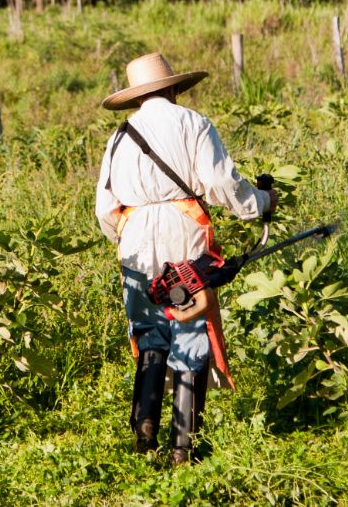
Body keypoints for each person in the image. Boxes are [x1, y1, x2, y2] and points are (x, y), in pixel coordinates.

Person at [95, 52, 275, 465]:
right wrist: (261, 202)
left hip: (134, 234)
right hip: (184, 228)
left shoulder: (120, 136)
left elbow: (105, 207)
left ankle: (144, 425)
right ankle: (183, 448)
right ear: (174, 87)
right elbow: (219, 184)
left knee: (149, 331)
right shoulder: (193, 122)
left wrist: (126, 236)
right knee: (191, 328)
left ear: (138, 96)